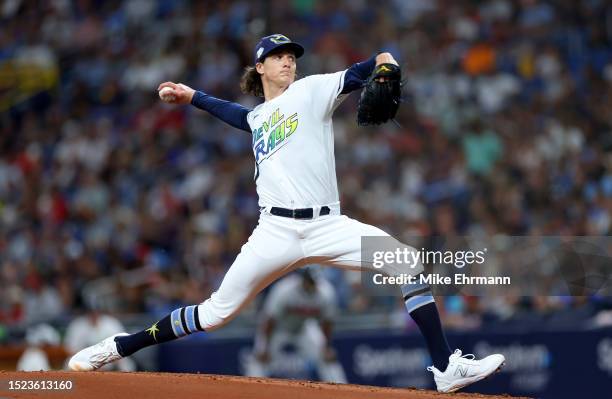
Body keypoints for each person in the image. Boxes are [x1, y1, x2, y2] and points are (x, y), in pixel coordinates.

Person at [69, 33, 504, 393]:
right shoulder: (260, 117)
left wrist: (387, 64)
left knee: (408, 263)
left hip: (328, 224)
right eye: (277, 56)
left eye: (291, 55)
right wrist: (194, 97)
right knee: (216, 314)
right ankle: (119, 347)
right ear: (260, 67)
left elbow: (370, 65)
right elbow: (240, 116)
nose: (287, 62)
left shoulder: (313, 89)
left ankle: (445, 367)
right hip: (274, 230)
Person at [245, 268, 347, 383]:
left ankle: (341, 388)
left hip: (304, 328)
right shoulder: (284, 289)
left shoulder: (326, 292)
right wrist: (265, 347)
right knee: (260, 358)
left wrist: (327, 347)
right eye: (308, 280)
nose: (310, 284)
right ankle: (251, 389)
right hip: (278, 328)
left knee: (326, 357)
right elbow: (270, 320)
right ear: (301, 279)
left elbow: (327, 323)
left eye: (313, 281)